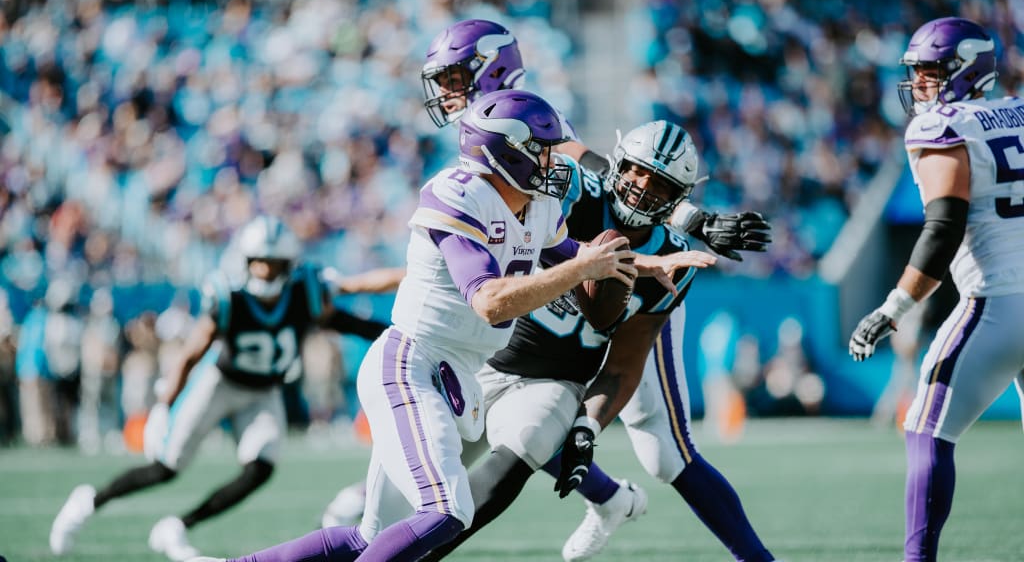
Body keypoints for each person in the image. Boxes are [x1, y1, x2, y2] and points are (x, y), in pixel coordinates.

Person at [197, 89, 710, 562]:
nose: (556, 163)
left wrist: (647, 264)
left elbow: (575, 253)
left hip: (453, 374)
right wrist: (584, 267)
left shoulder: (536, 206)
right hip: (411, 364)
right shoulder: (457, 195)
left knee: (368, 539)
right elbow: (490, 302)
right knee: (448, 510)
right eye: (545, 151)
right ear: (510, 155)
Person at [423, 120, 776, 562]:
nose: (643, 190)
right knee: (404, 488)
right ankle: (609, 499)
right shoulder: (571, 192)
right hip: (495, 357)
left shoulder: (672, 263)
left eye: (662, 185)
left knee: (661, 451)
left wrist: (588, 427)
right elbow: (558, 157)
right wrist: (695, 219)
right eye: (637, 172)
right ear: (618, 163)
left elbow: (624, 364)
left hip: (560, 378)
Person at [49, 216, 396, 562]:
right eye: (259, 263)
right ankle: (87, 501)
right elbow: (190, 355)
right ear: (245, 262)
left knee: (261, 467)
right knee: (166, 468)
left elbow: (362, 285)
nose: (265, 271)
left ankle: (180, 525)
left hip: (264, 391)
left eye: (273, 264)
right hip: (220, 383)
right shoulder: (230, 297)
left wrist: (416, 277)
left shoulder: (306, 291)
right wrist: (162, 406)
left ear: (288, 264)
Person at [848, 17, 1024, 562]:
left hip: (996, 302)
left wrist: (894, 306)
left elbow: (943, 227)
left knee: (925, 429)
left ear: (966, 70)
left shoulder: (942, 126)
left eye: (929, 70)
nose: (920, 83)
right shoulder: (1018, 109)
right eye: (917, 72)